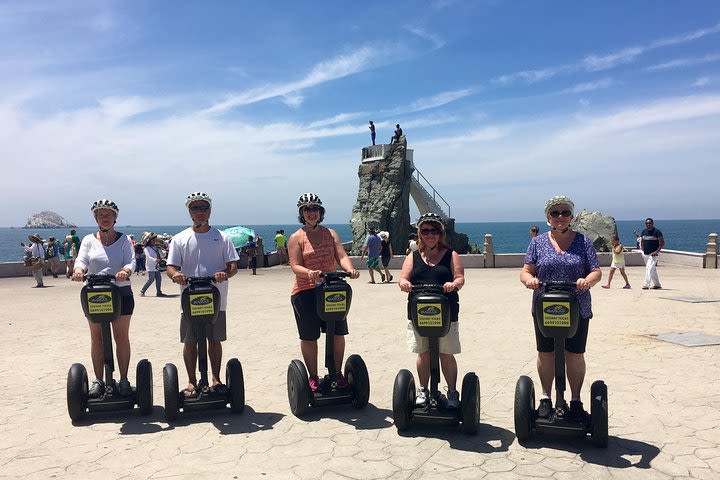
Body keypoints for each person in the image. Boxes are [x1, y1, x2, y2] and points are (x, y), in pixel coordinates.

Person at [520, 195, 601, 421]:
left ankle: (575, 400)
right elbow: (526, 270)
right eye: (555, 213)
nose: (560, 217)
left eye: (565, 212)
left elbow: (596, 270)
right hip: (545, 306)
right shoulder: (537, 243)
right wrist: (529, 280)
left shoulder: (583, 241)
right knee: (545, 353)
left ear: (571, 216)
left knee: (574, 355)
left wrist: (588, 280)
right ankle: (546, 397)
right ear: (548, 217)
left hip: (577, 306)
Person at [166, 192, 239, 396]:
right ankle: (191, 382)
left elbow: (233, 266)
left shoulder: (221, 237)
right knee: (190, 341)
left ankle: (215, 379)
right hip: (190, 300)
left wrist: (224, 274)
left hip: (216, 300)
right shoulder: (180, 238)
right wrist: (176, 276)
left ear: (210, 210)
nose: (200, 212)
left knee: (214, 340)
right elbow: (170, 267)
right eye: (195, 208)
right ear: (189, 211)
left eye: (204, 207)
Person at [288, 193, 360, 392]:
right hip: (306, 291)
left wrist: (350, 269)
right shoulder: (296, 237)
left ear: (321, 212)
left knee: (337, 332)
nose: (311, 213)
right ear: (301, 213)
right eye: (307, 209)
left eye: (315, 209)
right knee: (309, 336)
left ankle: (337, 373)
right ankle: (312, 377)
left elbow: (341, 255)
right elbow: (294, 265)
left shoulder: (330, 234)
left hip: (331, 290)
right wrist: (309, 273)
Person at [398, 213, 465, 408]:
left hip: (446, 312)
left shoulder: (451, 254)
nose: (430, 235)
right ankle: (423, 390)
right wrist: (404, 284)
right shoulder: (413, 256)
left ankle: (452, 392)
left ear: (440, 233)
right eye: (425, 231)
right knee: (423, 353)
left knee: (446, 353)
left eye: (434, 230)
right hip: (419, 312)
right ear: (420, 234)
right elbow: (403, 277)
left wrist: (453, 284)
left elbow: (460, 277)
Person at [72, 199, 136, 398]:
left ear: (115, 217)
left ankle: (124, 379)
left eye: (108, 214)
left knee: (121, 336)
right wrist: (78, 270)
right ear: (96, 218)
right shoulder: (88, 240)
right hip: (95, 293)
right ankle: (98, 380)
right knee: (97, 338)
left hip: (121, 292)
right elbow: (81, 259)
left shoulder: (124, 240)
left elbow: (131, 261)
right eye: (101, 214)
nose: (105, 218)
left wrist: (125, 271)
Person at [139, 231, 167, 297]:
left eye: (155, 240)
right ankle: (142, 291)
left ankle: (159, 292)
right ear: (150, 241)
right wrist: (155, 260)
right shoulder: (146, 248)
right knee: (151, 279)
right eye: (153, 240)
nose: (154, 241)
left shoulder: (156, 247)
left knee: (159, 279)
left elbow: (160, 254)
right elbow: (148, 257)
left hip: (156, 266)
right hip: (150, 266)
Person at [640, 218, 664, 290]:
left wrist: (656, 251)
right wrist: (642, 249)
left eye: (649, 223)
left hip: (654, 254)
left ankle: (646, 284)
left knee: (649, 268)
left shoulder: (657, 232)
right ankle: (657, 284)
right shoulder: (644, 231)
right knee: (652, 269)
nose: (648, 224)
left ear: (652, 223)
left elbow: (662, 243)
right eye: (647, 223)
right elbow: (642, 241)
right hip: (645, 254)